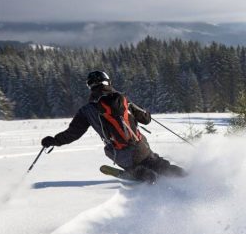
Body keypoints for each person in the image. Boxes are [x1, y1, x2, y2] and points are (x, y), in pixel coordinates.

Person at [40, 70, 186, 183]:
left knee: (116, 155)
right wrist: (144, 111)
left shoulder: (86, 110)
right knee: (160, 165)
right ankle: (188, 178)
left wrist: (53, 140)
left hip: (120, 154)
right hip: (141, 147)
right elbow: (146, 120)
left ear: (90, 87)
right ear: (108, 82)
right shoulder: (123, 99)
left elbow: (73, 134)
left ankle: (137, 172)